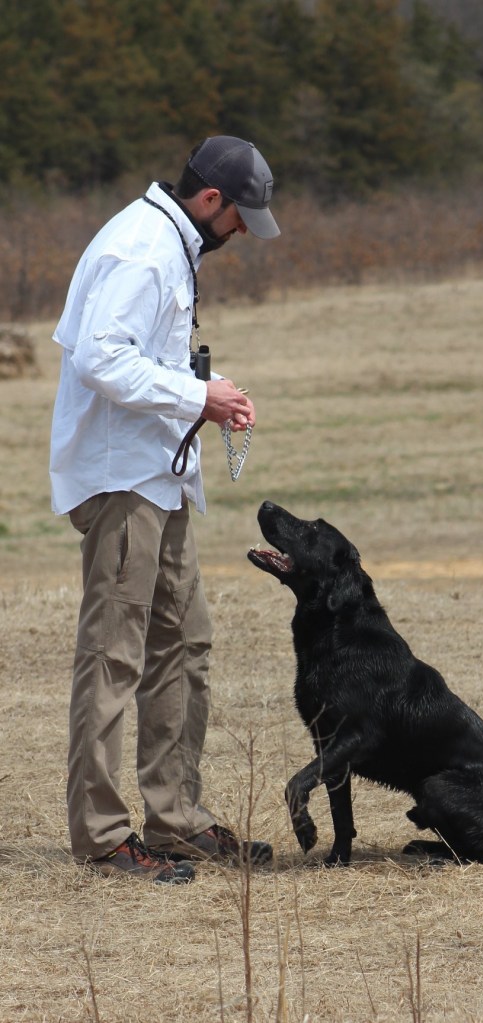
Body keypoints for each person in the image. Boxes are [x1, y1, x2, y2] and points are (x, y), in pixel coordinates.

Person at [49, 136, 280, 884]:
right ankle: (102, 837)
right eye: (239, 217)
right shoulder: (144, 249)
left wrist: (210, 391)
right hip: (121, 479)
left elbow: (144, 356)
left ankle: (176, 819)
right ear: (211, 199)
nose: (240, 232)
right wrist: (196, 395)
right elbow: (100, 357)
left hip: (159, 475)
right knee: (113, 655)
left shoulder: (170, 245)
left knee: (185, 642)